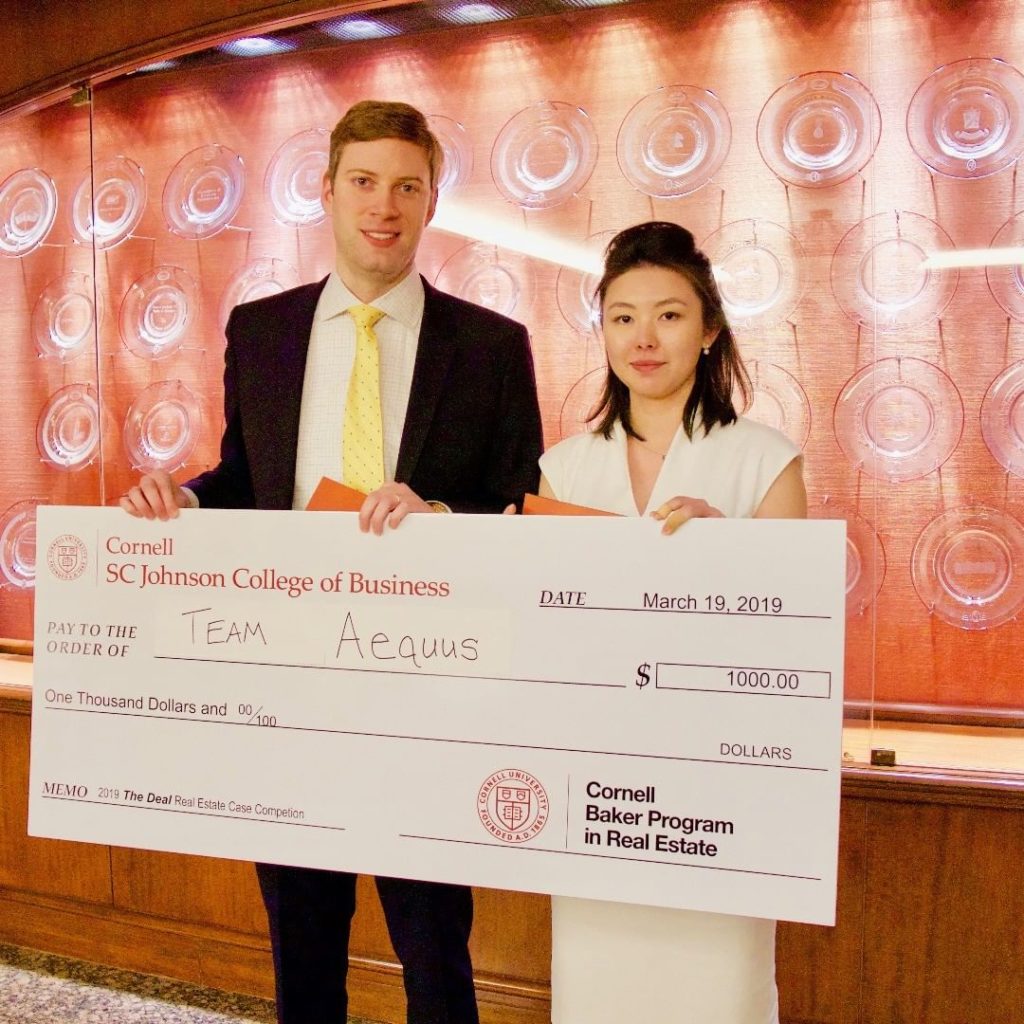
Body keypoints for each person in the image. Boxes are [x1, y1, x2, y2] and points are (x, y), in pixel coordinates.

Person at [120, 100, 544, 1024]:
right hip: (291, 685)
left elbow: (524, 509)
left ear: (433, 200)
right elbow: (246, 474)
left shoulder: (491, 347)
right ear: (326, 192)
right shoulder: (262, 332)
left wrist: (438, 514)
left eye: (406, 185)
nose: (382, 205)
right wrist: (183, 499)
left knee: (435, 947)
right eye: (363, 182)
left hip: (429, 693)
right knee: (301, 945)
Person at [538, 220, 806, 1023]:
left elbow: (792, 640)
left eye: (668, 314)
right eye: (622, 317)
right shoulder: (562, 465)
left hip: (717, 785)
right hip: (596, 780)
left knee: (716, 991)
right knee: (595, 988)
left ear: (710, 328)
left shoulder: (764, 458)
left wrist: (728, 560)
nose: (643, 338)